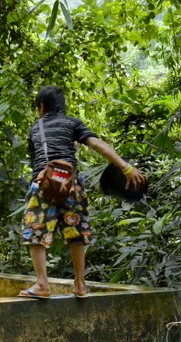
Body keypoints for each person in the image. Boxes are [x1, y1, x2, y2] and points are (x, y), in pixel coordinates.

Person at [18, 86, 146, 299]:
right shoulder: (73, 123)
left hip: (44, 184)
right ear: (62, 106)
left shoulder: (35, 128)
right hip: (71, 185)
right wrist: (126, 168)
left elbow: (43, 154)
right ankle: (80, 285)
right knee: (76, 233)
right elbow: (96, 144)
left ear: (42, 107)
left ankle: (42, 284)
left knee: (36, 231)